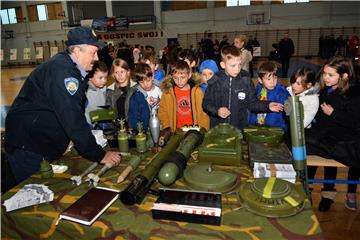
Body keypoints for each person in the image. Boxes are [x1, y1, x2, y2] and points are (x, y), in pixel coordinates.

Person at [4, 27, 121, 184]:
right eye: (93, 52)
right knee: (28, 191)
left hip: (37, 142)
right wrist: (99, 155)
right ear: (77, 51)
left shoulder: (70, 68)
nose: (96, 57)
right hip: (28, 145)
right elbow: (72, 118)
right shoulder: (64, 73)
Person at [306, 56, 360, 212]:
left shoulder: (353, 94)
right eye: (324, 73)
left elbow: (355, 122)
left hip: (339, 141)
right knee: (310, 161)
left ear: (344, 76)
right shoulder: (325, 89)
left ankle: (328, 195)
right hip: (322, 134)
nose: (325, 78)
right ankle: (307, 189)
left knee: (330, 167)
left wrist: (333, 113)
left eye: (330, 75)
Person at [202, 45, 284, 130]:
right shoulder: (215, 81)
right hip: (219, 129)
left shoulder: (245, 79)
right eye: (233, 65)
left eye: (239, 64)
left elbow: (252, 103)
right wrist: (217, 110)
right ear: (223, 65)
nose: (237, 69)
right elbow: (206, 104)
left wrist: (267, 105)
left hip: (239, 128)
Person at [158, 60, 209, 132]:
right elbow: (162, 112)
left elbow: (204, 112)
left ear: (189, 75)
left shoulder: (197, 92)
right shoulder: (168, 92)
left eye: (183, 77)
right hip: (175, 131)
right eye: (175, 78)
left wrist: (203, 129)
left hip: (194, 130)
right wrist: (167, 128)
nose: (179, 81)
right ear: (172, 76)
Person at [249, 61, 290, 131]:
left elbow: (286, 105)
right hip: (258, 126)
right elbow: (255, 105)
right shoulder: (258, 88)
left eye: (275, 78)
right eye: (268, 79)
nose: (272, 82)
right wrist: (251, 122)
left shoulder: (281, 91)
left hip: (275, 129)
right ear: (260, 80)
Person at [128, 63, 162, 130]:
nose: (145, 84)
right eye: (141, 82)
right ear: (138, 81)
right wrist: (142, 130)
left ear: (152, 77)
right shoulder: (136, 97)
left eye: (148, 80)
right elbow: (133, 119)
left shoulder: (161, 89)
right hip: (146, 131)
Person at [106, 58, 137, 124]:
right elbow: (109, 112)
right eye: (116, 72)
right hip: (117, 128)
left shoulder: (136, 88)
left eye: (122, 71)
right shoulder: (110, 91)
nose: (120, 75)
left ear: (128, 72)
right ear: (113, 74)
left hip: (133, 127)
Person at [84, 61, 109, 127]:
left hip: (101, 125)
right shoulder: (85, 93)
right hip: (89, 127)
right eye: (100, 78)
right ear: (90, 77)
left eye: (105, 77)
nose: (104, 81)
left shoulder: (104, 90)